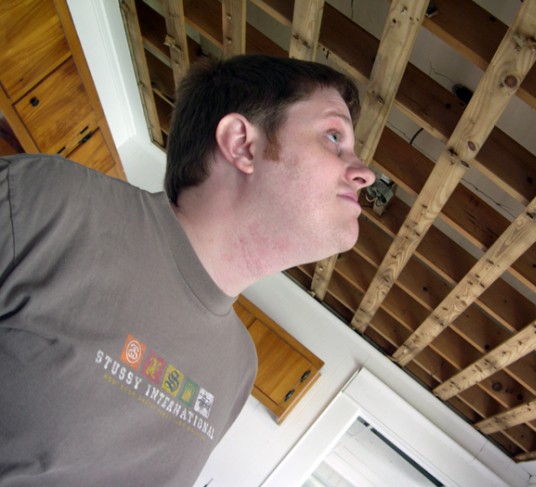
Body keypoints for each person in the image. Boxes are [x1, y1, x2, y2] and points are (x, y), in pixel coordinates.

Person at [0, 54, 375, 485]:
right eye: (333, 137)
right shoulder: (48, 201)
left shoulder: (238, 368)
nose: (364, 172)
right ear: (242, 144)